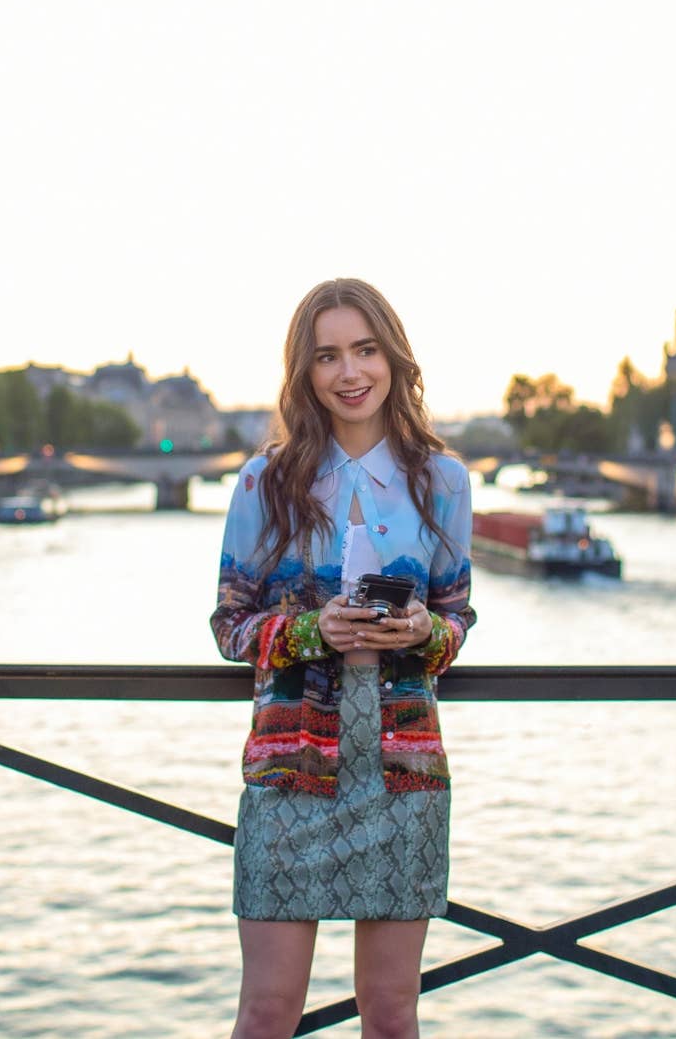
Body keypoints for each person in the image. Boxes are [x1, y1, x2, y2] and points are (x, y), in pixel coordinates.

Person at [210, 278, 476, 1039]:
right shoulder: (267, 480)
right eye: (327, 355)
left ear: (393, 357)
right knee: (266, 1014)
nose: (349, 371)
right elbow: (230, 623)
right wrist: (309, 631)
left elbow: (458, 618)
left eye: (364, 349)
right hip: (290, 770)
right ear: (305, 372)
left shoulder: (442, 481)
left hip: (403, 776)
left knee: (391, 1015)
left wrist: (425, 631)